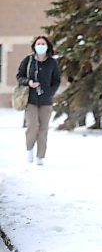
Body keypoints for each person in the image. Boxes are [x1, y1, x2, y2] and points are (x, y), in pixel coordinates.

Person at [16, 36, 61, 165]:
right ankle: (29, 148)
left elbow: (56, 80)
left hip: (46, 101)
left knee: (43, 128)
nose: (41, 45)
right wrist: (28, 82)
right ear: (34, 46)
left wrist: (50, 92)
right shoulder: (28, 60)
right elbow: (19, 76)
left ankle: (40, 156)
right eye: (38, 43)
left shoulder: (52, 62)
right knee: (32, 126)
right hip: (30, 99)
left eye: (43, 43)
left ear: (47, 46)